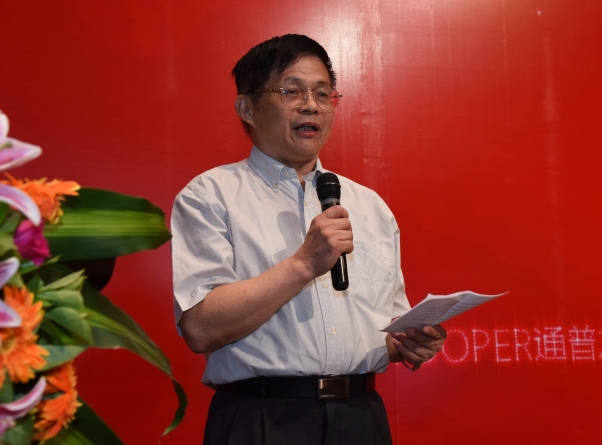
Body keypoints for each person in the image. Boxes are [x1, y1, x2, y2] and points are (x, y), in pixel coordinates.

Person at [171, 34, 447, 445]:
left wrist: (409, 344)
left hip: (361, 420)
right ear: (247, 108)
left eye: (322, 93)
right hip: (261, 420)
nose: (311, 105)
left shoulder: (370, 206)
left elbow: (385, 335)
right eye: (292, 91)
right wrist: (303, 264)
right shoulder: (210, 195)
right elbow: (199, 328)